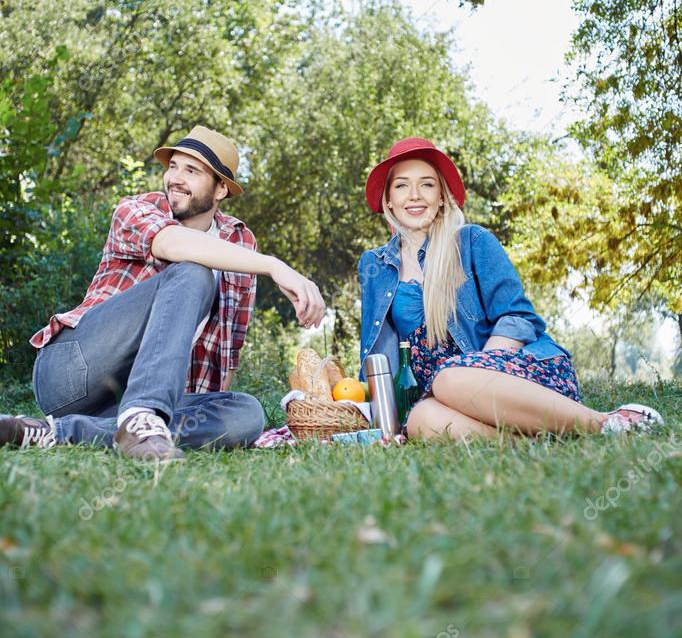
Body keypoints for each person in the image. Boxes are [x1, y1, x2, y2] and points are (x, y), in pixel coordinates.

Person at [0, 126, 325, 461]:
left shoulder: (241, 243)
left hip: (124, 400)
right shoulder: (137, 209)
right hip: (71, 372)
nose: (175, 178)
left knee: (245, 413)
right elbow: (171, 243)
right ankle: (141, 416)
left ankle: (59, 431)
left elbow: (228, 349)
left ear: (221, 190)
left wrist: (210, 406)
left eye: (192, 170)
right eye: (173, 166)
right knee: (192, 270)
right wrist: (273, 265)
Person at [359, 137, 664, 441]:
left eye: (426, 184)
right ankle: (533, 442)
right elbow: (379, 353)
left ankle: (606, 423)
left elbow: (517, 318)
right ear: (388, 200)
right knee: (421, 422)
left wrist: (480, 370)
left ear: (441, 197)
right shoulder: (375, 266)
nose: (414, 195)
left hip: (516, 375)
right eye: (401, 186)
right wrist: (382, 418)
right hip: (441, 395)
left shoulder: (471, 241)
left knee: (450, 378)